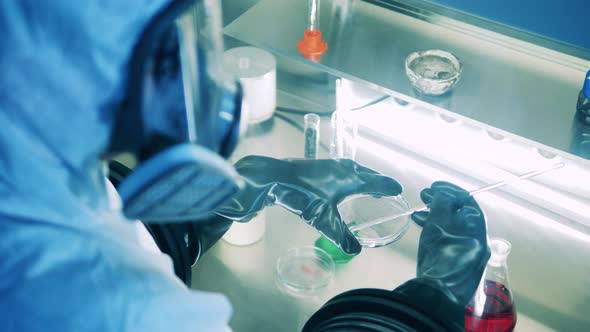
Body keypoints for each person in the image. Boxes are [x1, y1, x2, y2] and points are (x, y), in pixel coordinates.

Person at [0, 1, 489, 331]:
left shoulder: (30, 163)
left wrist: (240, 193)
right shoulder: (98, 306)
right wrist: (432, 299)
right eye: (167, 48)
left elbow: (101, 227)